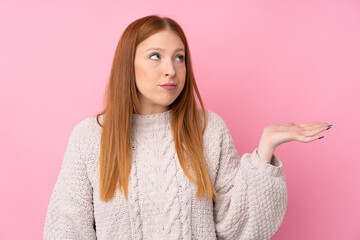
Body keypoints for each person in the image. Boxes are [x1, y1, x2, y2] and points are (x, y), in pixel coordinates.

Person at [43, 15, 332, 240]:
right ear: (127, 65)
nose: (171, 69)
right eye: (155, 56)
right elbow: (66, 230)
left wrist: (265, 152)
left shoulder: (208, 129)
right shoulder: (90, 138)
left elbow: (242, 227)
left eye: (179, 57)